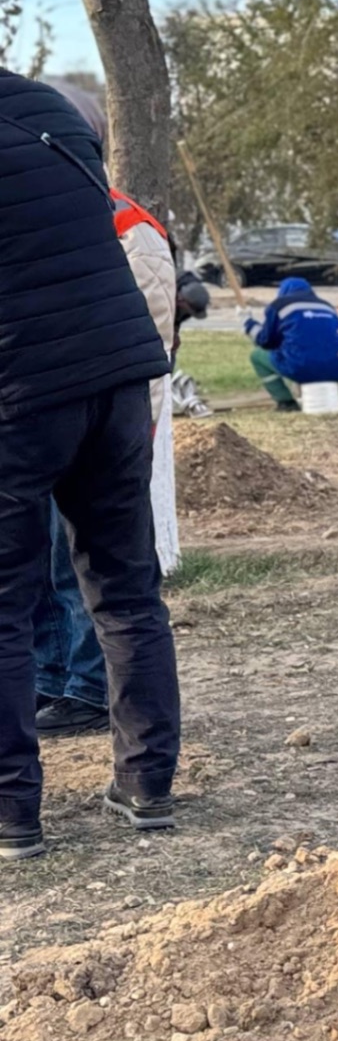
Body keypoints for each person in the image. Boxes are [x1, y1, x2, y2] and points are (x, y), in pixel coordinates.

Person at [0, 72, 183, 858]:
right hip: (116, 379)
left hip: (24, 390)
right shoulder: (49, 106)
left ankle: (13, 811)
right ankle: (147, 783)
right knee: (126, 589)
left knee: (4, 606)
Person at [33, 184, 178, 738]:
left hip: (94, 417)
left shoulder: (128, 228)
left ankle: (89, 687)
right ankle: (54, 674)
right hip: (48, 407)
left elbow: (142, 335)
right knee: (47, 556)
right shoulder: (54, 206)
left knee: (82, 563)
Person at [244, 277, 338, 411]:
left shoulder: (279, 305)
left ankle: (286, 402)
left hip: (301, 367)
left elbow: (266, 341)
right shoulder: (326, 306)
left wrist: (249, 324)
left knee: (257, 356)